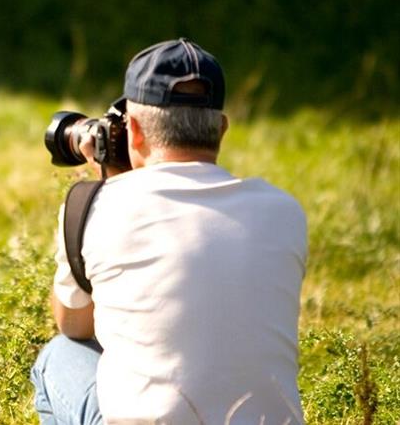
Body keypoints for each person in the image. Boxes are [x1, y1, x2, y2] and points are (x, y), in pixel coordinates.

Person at [30, 39, 308, 424]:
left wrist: (107, 184)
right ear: (222, 129)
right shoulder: (284, 210)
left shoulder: (95, 207)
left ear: (135, 132)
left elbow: (74, 324)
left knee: (57, 357)